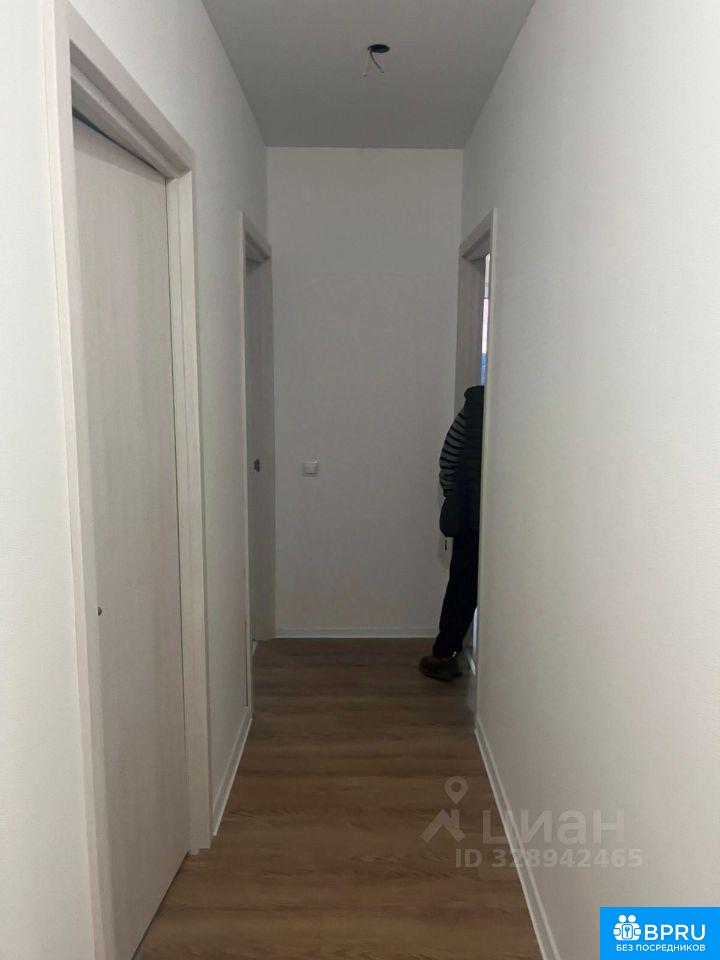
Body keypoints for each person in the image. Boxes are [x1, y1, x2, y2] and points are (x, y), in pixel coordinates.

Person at [419, 385, 484, 681]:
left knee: (461, 587)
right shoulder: (531, 408)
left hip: (470, 516)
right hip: (512, 524)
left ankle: (444, 656)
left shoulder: (474, 406)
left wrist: (455, 495)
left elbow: (448, 457)